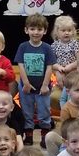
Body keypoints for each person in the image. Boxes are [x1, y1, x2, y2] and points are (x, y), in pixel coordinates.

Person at [14, 13, 56, 146]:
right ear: (26, 30)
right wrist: (25, 83)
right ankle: (29, 135)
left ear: (45, 31)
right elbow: (20, 65)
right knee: (27, 111)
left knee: (44, 111)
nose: (36, 32)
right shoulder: (23, 46)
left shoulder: (47, 48)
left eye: (39, 29)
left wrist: (45, 85)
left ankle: (44, 136)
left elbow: (49, 67)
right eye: (32, 29)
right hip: (26, 87)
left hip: (43, 87)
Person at [51, 15, 79, 103]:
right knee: (60, 94)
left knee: (73, 91)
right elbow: (51, 62)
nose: (66, 33)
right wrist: (58, 68)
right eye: (63, 30)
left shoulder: (75, 43)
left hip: (74, 72)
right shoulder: (54, 45)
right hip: (60, 73)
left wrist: (71, 66)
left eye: (69, 30)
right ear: (57, 32)